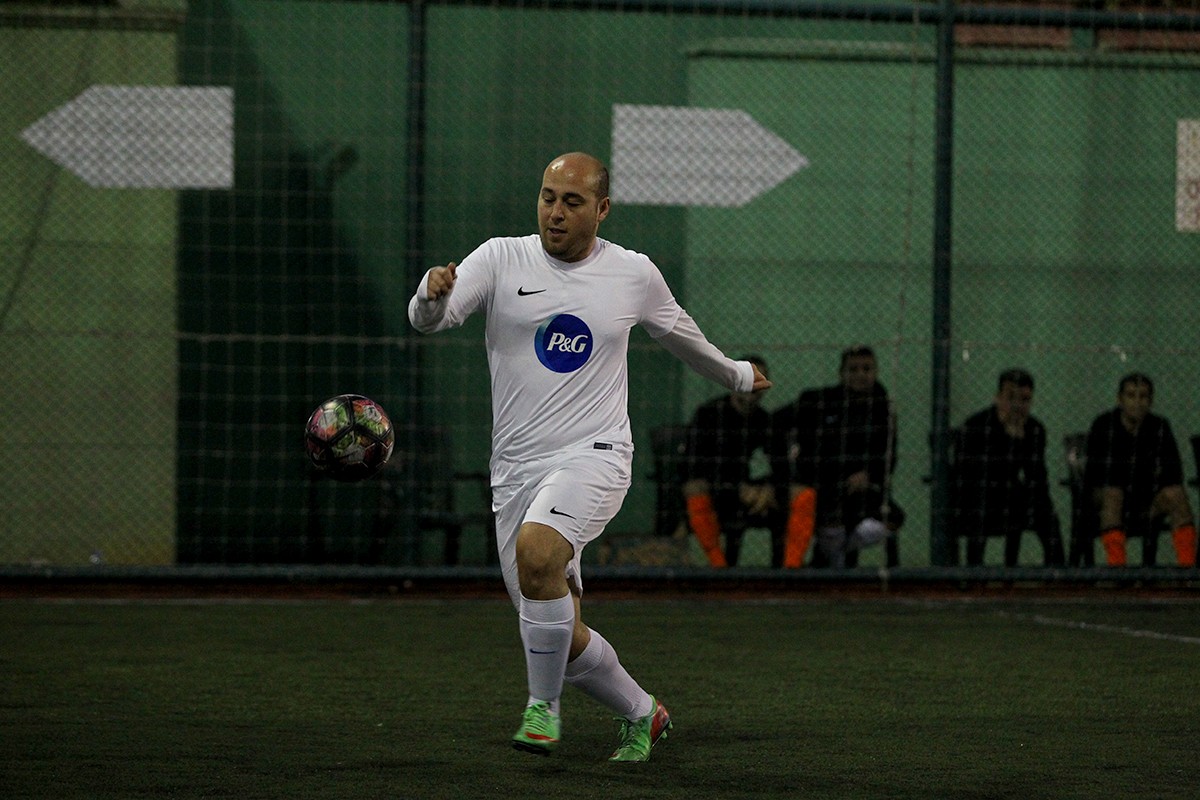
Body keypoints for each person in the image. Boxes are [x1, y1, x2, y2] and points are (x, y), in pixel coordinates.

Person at [407, 152, 771, 761]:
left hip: (595, 454)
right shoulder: (499, 258)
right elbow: (430, 321)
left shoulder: (633, 273)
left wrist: (736, 374)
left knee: (538, 551)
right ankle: (643, 713)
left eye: (572, 202)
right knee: (556, 626)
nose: (555, 211)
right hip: (516, 471)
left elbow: (680, 333)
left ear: (602, 210)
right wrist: (427, 294)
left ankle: (541, 711)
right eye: (548, 197)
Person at [772, 345, 903, 568]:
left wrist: (869, 475)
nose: (860, 375)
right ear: (842, 373)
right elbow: (776, 423)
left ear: (876, 372)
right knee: (830, 519)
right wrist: (791, 471)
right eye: (853, 369)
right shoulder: (819, 400)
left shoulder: (883, 409)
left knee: (894, 518)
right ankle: (830, 562)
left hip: (862, 489)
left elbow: (889, 456)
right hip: (823, 486)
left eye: (867, 369)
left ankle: (837, 551)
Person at [952, 368, 1065, 567]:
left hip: (1012, 495)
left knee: (1047, 514)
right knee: (980, 508)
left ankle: (1058, 573)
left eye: (1024, 399)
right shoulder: (976, 425)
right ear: (998, 398)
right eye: (1011, 398)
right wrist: (1008, 441)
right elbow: (971, 472)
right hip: (976, 495)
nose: (1017, 406)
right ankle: (974, 574)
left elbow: (1037, 477)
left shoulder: (1034, 429)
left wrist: (1020, 444)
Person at [1083, 373, 1197, 567]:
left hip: (1146, 499)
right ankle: (1118, 570)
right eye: (1131, 395)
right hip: (1107, 501)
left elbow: (1173, 472)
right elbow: (1097, 474)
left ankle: (1187, 570)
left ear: (1150, 401)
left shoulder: (1160, 426)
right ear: (1120, 399)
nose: (1137, 402)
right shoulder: (1103, 425)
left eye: (1143, 396)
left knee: (1176, 494)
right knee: (1113, 494)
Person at [681, 354, 784, 567]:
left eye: (759, 378)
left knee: (783, 495)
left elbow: (780, 463)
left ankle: (782, 574)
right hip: (715, 487)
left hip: (746, 491)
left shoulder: (765, 420)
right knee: (695, 488)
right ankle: (719, 567)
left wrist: (767, 487)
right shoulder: (708, 414)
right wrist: (737, 487)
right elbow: (694, 466)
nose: (754, 384)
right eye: (749, 376)